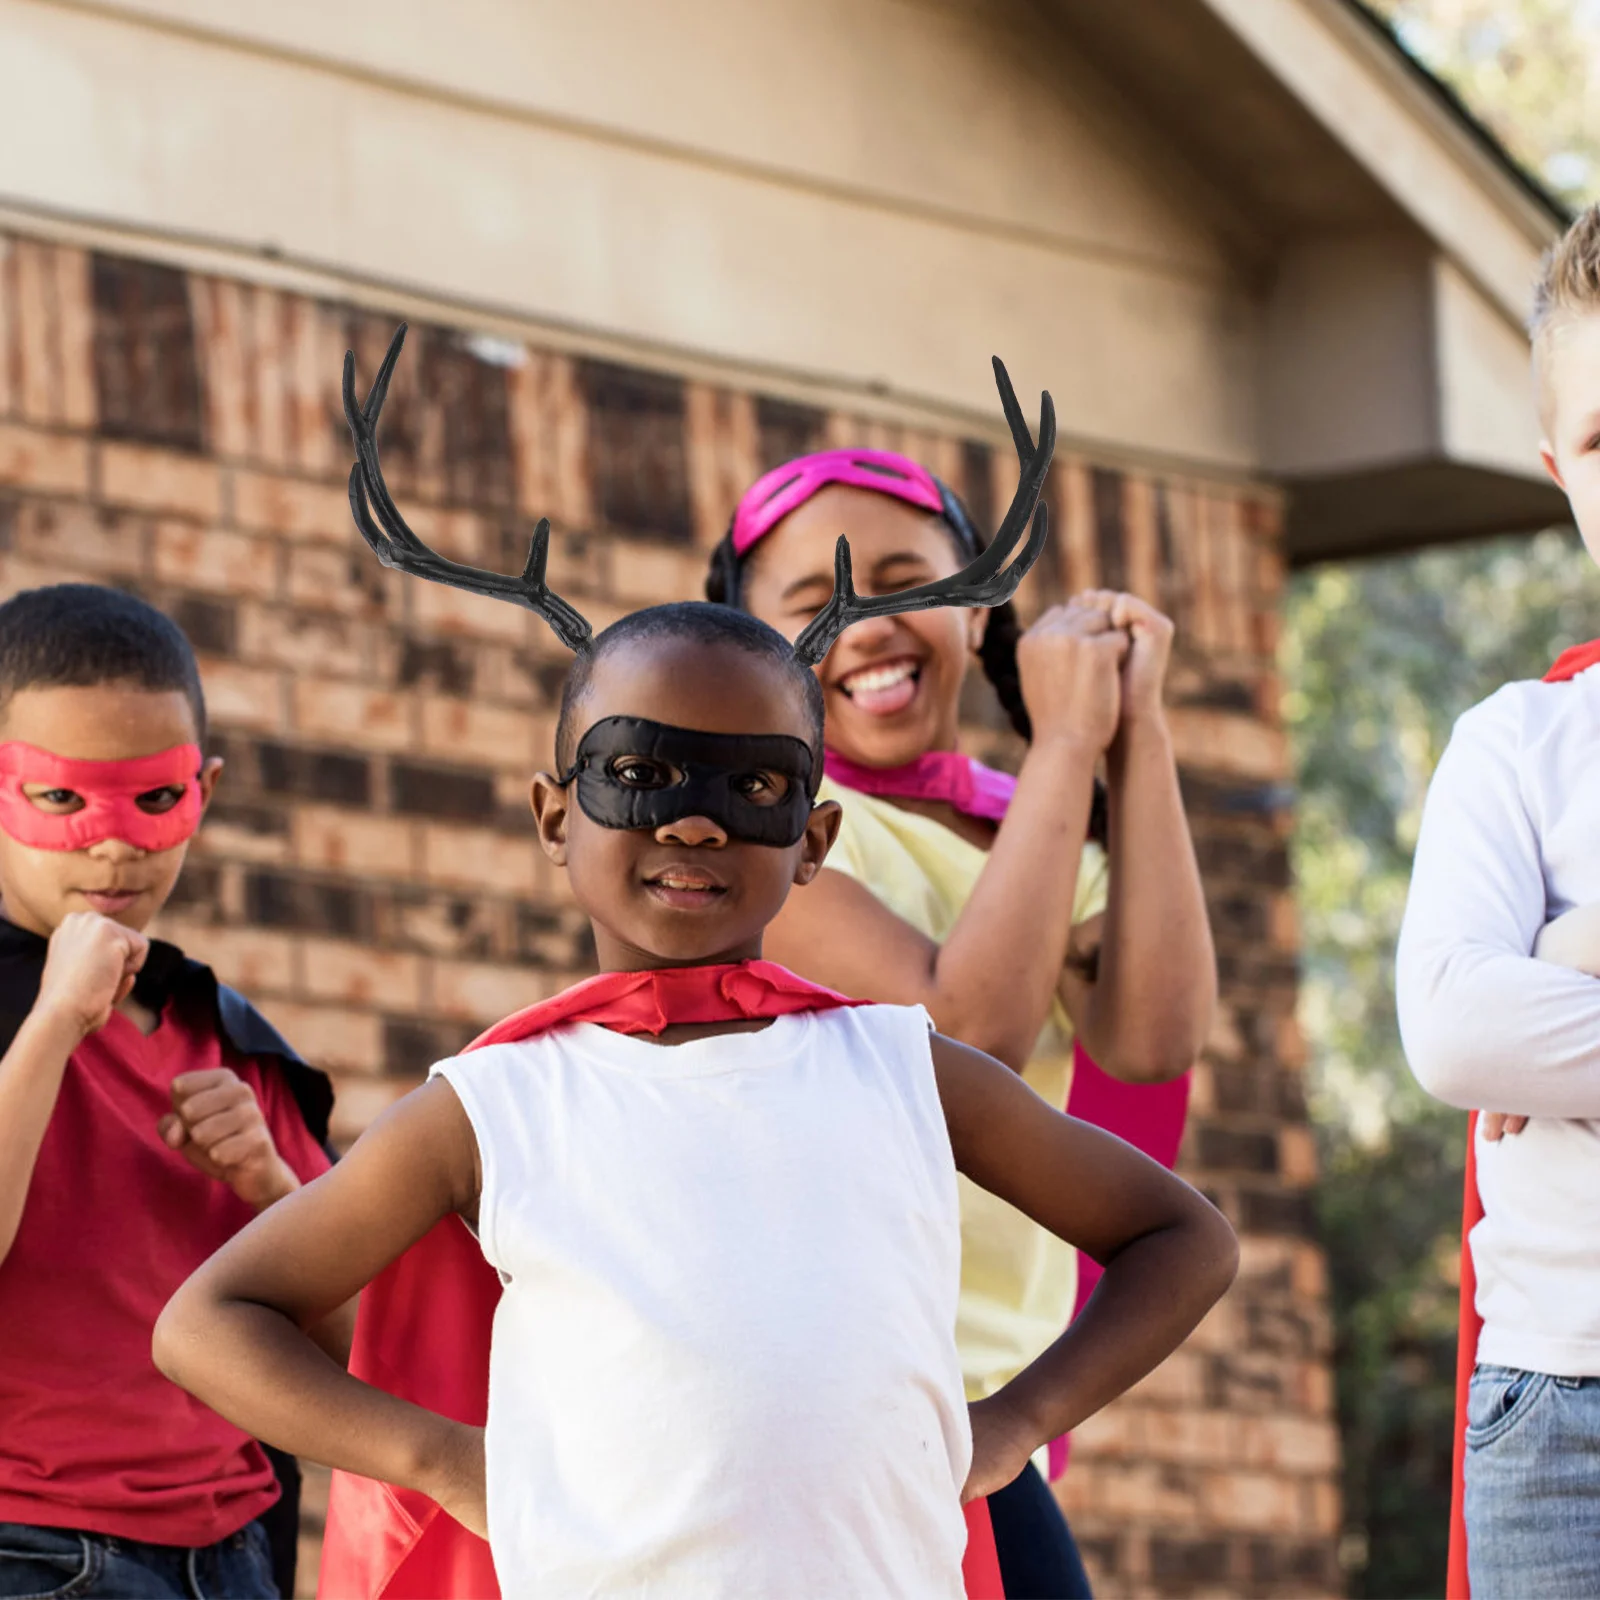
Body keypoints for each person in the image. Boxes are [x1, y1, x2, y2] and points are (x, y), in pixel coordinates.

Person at [153, 325, 1237, 1600]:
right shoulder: (492, 1107)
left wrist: (1009, 1426)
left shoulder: (900, 1066)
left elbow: (1183, 1235)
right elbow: (204, 1322)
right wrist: (447, 1462)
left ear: (812, 835)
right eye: (640, 772)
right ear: (557, 816)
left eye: (754, 785)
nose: (694, 820)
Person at [704, 440, 1214, 1592]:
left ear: (980, 612)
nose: (867, 622)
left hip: (984, 1411)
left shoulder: (1016, 830)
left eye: (906, 583)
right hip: (824, 1409)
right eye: (814, 601)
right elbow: (964, 1028)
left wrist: (1136, 737)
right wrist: (1067, 743)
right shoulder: (767, 825)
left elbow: (1150, 1036)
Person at [0, 584, 339, 1600]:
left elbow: (369, 1345)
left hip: (232, 1555)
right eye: (61, 798)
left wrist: (273, 1189)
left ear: (207, 788)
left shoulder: (228, 1039)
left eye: (154, 799)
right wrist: (55, 1022)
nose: (115, 844)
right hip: (27, 1547)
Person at [1397, 202, 1600, 1600]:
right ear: (1558, 470)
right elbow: (1458, 1028)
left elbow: (1513, 1002)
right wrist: (1517, 979)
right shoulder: (1520, 744)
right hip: (1556, 1416)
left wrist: (1569, 950)